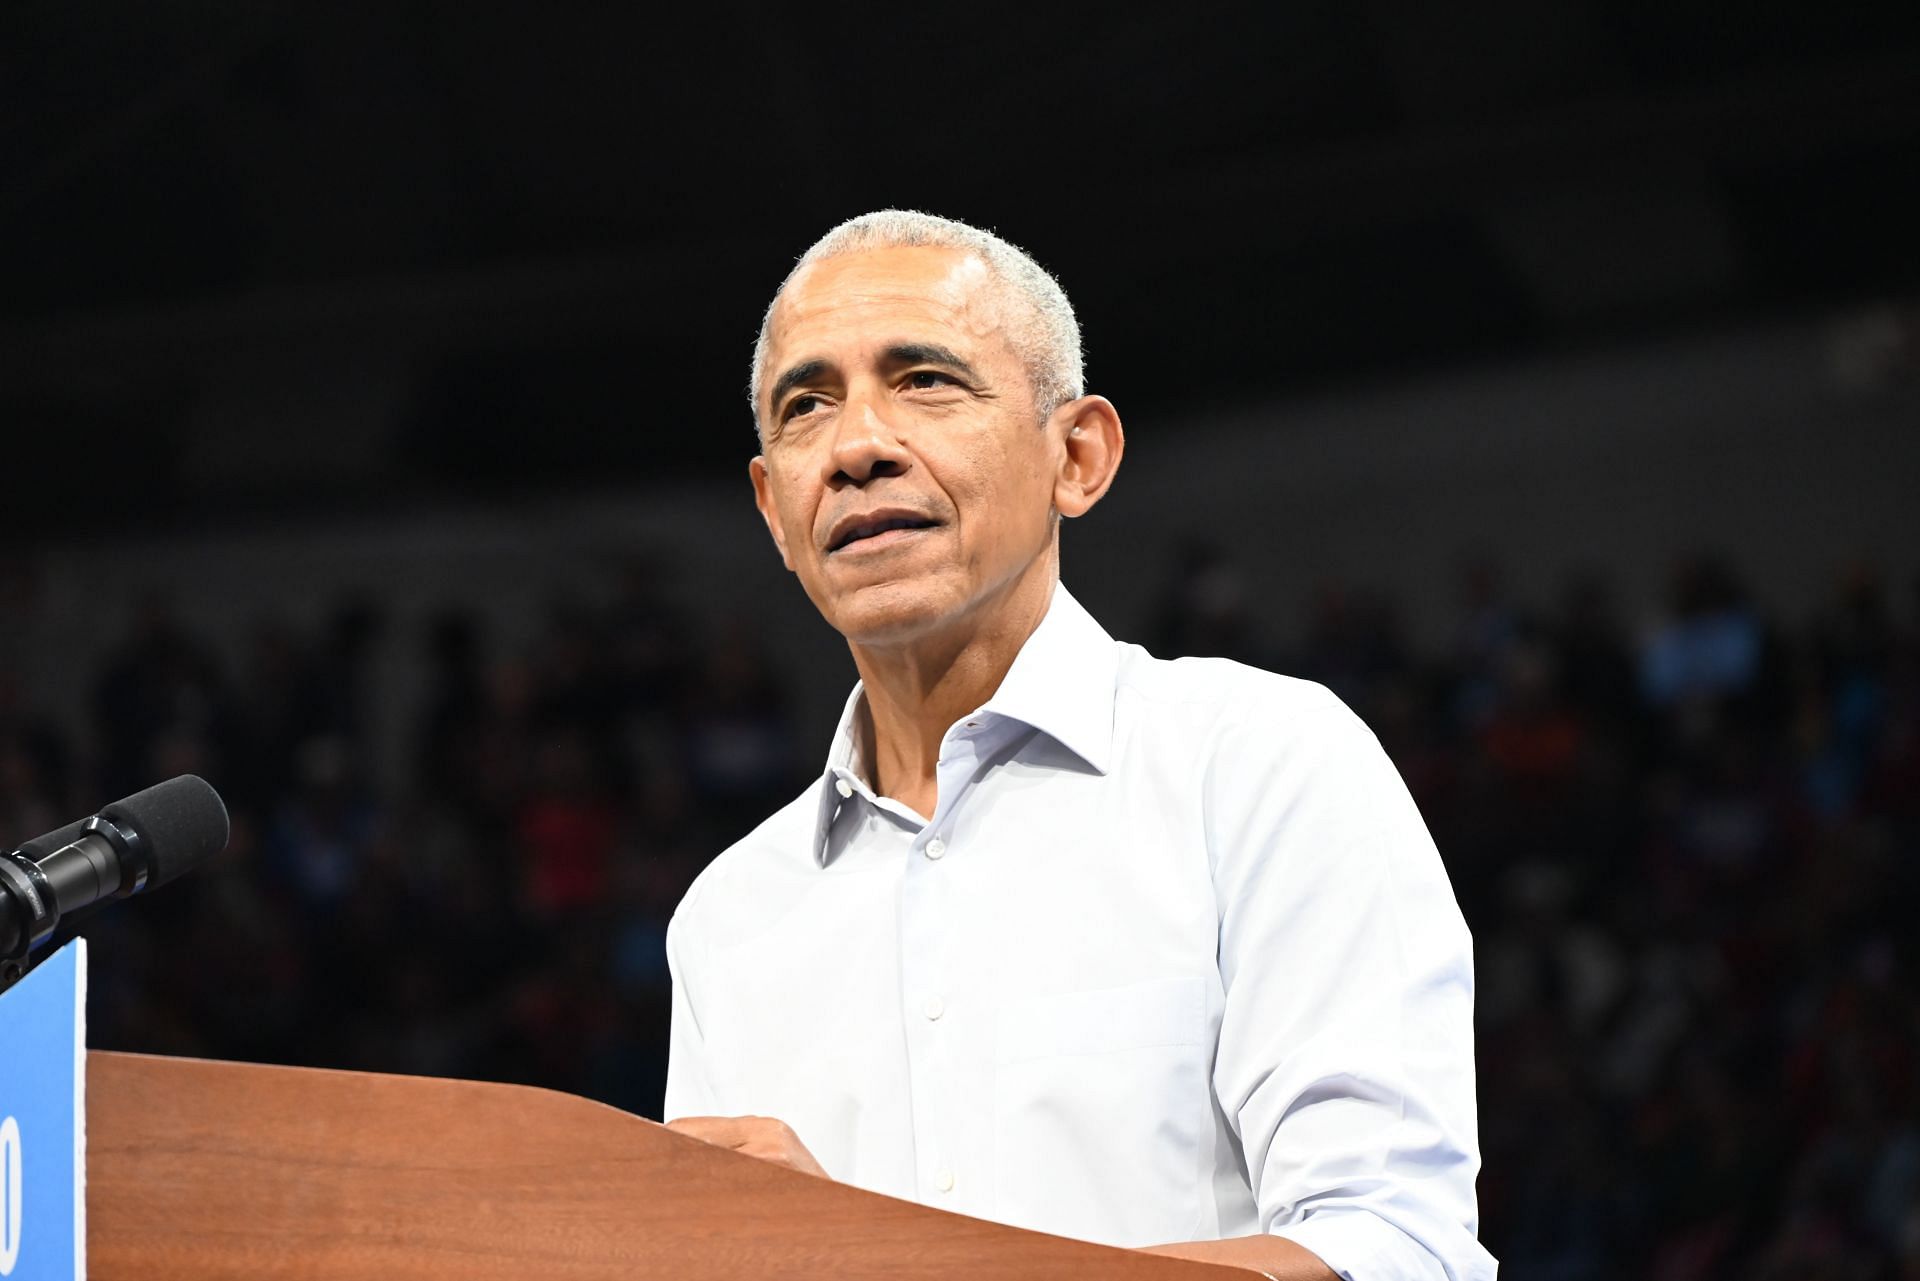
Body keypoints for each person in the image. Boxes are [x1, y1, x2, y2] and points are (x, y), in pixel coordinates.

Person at [662, 210, 1496, 1281]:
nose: (858, 447)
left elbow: (1392, 1247)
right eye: (807, 404)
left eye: (925, 380)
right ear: (775, 512)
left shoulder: (1259, 768)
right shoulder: (731, 920)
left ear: (1079, 456)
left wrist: (878, 1266)